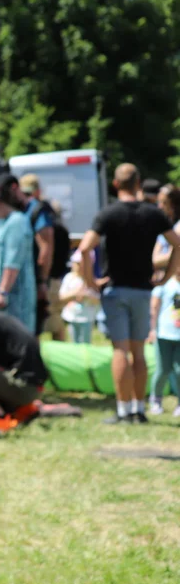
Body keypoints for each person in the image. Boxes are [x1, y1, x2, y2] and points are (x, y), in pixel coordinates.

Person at [78, 163, 180, 424]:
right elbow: (177, 245)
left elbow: (85, 248)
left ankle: (124, 411)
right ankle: (140, 409)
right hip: (144, 291)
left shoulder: (108, 213)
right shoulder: (153, 214)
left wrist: (91, 281)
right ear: (138, 183)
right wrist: (166, 277)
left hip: (115, 290)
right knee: (138, 351)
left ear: (115, 184)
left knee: (120, 350)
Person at [0, 177, 37, 331]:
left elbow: (13, 260)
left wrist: (3, 291)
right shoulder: (0, 223)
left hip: (13, 299)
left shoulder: (17, 222)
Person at [18, 174, 64, 339]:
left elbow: (46, 247)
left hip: (47, 278)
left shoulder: (40, 210)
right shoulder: (37, 209)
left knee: (53, 323)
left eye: (29, 193)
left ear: (37, 191)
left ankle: (59, 361)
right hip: (41, 277)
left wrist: (42, 281)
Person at [148, 266, 180, 416]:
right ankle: (156, 399)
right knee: (162, 370)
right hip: (164, 334)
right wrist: (152, 329)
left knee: (179, 371)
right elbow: (154, 307)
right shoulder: (165, 284)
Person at [58, 250, 98, 344]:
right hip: (72, 317)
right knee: (74, 342)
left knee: (85, 343)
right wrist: (75, 293)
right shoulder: (69, 278)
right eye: (78, 263)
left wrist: (87, 295)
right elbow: (62, 297)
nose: (80, 267)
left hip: (87, 318)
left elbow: (97, 300)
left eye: (83, 264)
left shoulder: (91, 280)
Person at [152, 184, 180, 272]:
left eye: (164, 202)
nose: (159, 206)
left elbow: (156, 260)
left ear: (173, 205)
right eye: (159, 202)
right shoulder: (164, 225)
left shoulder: (178, 227)